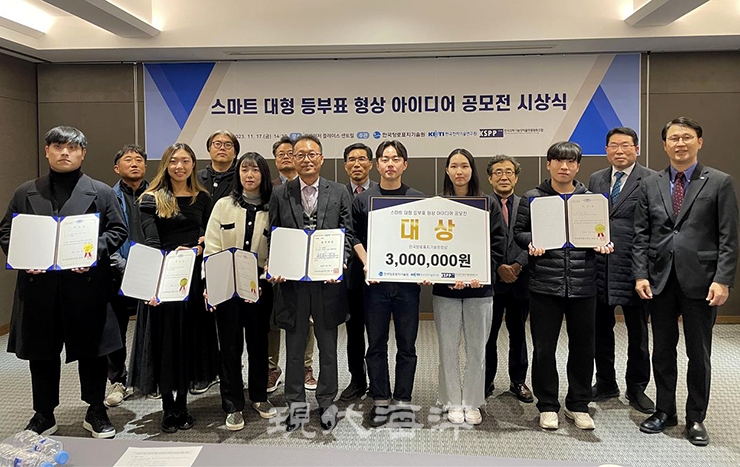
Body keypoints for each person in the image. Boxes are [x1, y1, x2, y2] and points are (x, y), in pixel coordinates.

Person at [0, 126, 127, 438]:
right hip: (39, 288)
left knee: (93, 351)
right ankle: (44, 414)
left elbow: (118, 230)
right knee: (41, 353)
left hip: (86, 286)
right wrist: (24, 257)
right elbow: (6, 232)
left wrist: (92, 252)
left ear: (83, 153)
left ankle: (95, 410)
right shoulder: (25, 192)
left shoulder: (101, 192)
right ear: (47, 151)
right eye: (58, 147)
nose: (65, 153)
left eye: (72, 148)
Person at [634, 117, 738, 446]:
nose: (680, 143)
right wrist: (640, 273)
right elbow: (641, 234)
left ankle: (696, 417)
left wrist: (723, 279)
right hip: (660, 279)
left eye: (687, 137)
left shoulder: (719, 182)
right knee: (662, 351)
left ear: (699, 142)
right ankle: (665, 411)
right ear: (664, 145)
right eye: (674, 138)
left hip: (702, 281)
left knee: (699, 353)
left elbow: (729, 237)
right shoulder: (650, 183)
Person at [513, 141, 613, 431]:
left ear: (578, 166)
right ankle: (547, 405)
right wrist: (532, 242)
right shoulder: (533, 198)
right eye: (558, 161)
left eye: (570, 162)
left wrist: (604, 244)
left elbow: (601, 234)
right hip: (545, 284)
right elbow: (519, 233)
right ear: (549, 164)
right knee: (544, 348)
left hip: (583, 284)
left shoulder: (591, 200)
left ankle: (578, 404)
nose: (564, 167)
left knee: (583, 348)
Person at [129, 142, 218, 433]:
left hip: (191, 280)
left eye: (186, 161)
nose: (180, 166)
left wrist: (200, 247)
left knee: (188, 342)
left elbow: (207, 237)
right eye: (174, 161)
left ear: (193, 165)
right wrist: (155, 284)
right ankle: (168, 406)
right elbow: (152, 242)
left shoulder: (202, 198)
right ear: (166, 164)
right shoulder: (150, 199)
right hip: (162, 280)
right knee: (165, 343)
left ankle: (183, 403)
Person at [268, 134, 353, 432]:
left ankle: (327, 402)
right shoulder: (280, 193)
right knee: (294, 346)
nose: (306, 159)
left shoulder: (339, 191)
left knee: (328, 346)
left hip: (328, 282)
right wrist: (276, 265)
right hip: (292, 283)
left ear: (321, 158)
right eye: (300, 154)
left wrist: (340, 261)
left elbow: (347, 233)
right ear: (292, 158)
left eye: (311, 154)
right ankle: (296, 404)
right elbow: (275, 233)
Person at [352, 140, 424, 427]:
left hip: (407, 286)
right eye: (385, 159)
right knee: (376, 344)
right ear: (377, 164)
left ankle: (403, 400)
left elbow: (425, 240)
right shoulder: (363, 199)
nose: (390, 164)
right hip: (376, 285)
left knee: (407, 345)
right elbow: (353, 236)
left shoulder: (418, 199)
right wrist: (367, 261)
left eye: (395, 159)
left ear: (405, 164)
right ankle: (380, 400)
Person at [204, 152, 277, 431]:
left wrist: (270, 270)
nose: (249, 175)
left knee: (258, 344)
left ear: (263, 175)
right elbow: (211, 247)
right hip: (226, 283)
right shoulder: (223, 205)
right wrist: (210, 284)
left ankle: (259, 396)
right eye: (244, 169)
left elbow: (279, 245)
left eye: (255, 170)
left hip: (259, 285)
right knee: (230, 346)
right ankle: (233, 405)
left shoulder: (273, 206)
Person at [433, 148, 506, 424]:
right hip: (446, 289)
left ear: (472, 170)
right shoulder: (437, 204)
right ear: (447, 171)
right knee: (447, 348)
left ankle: (473, 401)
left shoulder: (488, 203)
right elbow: (430, 245)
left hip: (480, 289)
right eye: (454, 166)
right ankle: (452, 400)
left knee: (477, 349)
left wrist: (482, 272)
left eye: (464, 166)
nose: (459, 171)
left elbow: (498, 244)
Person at [588, 127, 656, 414]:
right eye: (614, 145)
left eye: (626, 145)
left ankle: (637, 387)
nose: (619, 151)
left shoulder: (651, 179)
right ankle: (606, 382)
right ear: (606, 150)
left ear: (636, 149)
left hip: (634, 268)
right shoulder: (596, 178)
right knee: (600, 331)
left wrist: (645, 270)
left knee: (638, 333)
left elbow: (654, 226)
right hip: (600, 268)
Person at [267, 136, 318, 393]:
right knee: (274, 319)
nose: (287, 157)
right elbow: (270, 229)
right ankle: (271, 368)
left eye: (292, 153)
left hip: (313, 268)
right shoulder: (272, 189)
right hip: (281, 268)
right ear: (276, 159)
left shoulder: (318, 188)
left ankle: (306, 367)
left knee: (306, 320)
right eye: (282, 154)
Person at [484, 155, 533, 404]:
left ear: (516, 177)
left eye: (509, 172)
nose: (504, 177)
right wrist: (498, 267)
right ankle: (485, 381)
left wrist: (518, 264)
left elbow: (537, 237)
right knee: (488, 335)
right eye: (498, 172)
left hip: (520, 279)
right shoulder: (482, 205)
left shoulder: (528, 204)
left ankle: (518, 381)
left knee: (518, 334)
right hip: (491, 282)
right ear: (490, 178)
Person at [105, 144, 149, 408]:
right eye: (128, 160)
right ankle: (118, 381)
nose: (134, 163)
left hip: (151, 272)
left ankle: (149, 379)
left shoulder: (157, 195)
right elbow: (104, 236)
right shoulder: (107, 197)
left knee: (152, 327)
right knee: (115, 331)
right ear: (116, 168)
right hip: (116, 273)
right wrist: (122, 266)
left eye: (139, 160)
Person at [340, 142, 377, 401]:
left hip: (379, 274)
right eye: (351, 160)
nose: (357, 164)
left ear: (370, 164)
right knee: (353, 332)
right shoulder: (337, 194)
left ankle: (378, 381)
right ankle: (357, 380)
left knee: (377, 332)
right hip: (349, 274)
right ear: (345, 166)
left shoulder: (381, 193)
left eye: (362, 159)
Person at [197, 129, 240, 202]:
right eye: (217, 144)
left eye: (228, 145)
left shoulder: (240, 179)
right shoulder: (196, 178)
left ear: (235, 153)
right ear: (209, 149)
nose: (222, 148)